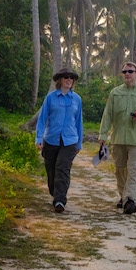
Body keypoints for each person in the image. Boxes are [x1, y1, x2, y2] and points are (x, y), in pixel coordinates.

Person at [98, 62, 136, 214]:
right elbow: (107, 115)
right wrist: (103, 135)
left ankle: (131, 200)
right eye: (124, 72)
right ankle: (124, 197)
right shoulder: (115, 93)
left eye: (130, 71)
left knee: (134, 169)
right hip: (119, 138)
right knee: (120, 170)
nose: (127, 74)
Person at [36, 68, 84, 213]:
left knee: (63, 168)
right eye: (66, 77)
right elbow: (42, 119)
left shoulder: (77, 99)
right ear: (60, 80)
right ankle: (55, 192)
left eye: (71, 78)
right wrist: (39, 138)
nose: (69, 80)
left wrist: (79, 142)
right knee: (51, 169)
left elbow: (79, 122)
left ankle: (60, 200)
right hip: (51, 139)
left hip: (69, 140)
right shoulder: (50, 98)